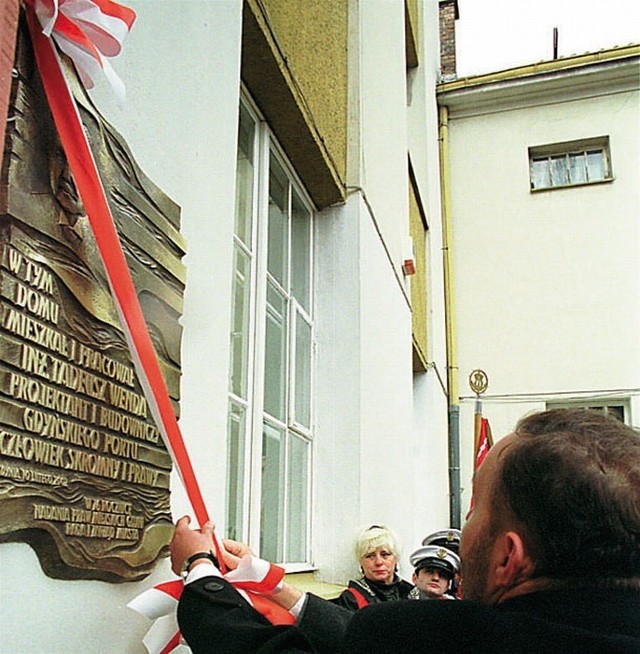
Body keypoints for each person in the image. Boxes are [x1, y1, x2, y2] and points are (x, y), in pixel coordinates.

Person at [170, 408, 640, 653]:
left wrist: (199, 570)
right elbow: (354, 636)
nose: (464, 525)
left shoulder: (435, 636)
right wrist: (263, 578)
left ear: (507, 558)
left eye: (475, 507)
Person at [330, 524, 413, 610]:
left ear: (396, 558)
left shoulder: (410, 592)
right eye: (370, 556)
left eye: (385, 554)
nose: (378, 562)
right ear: (361, 561)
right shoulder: (351, 599)